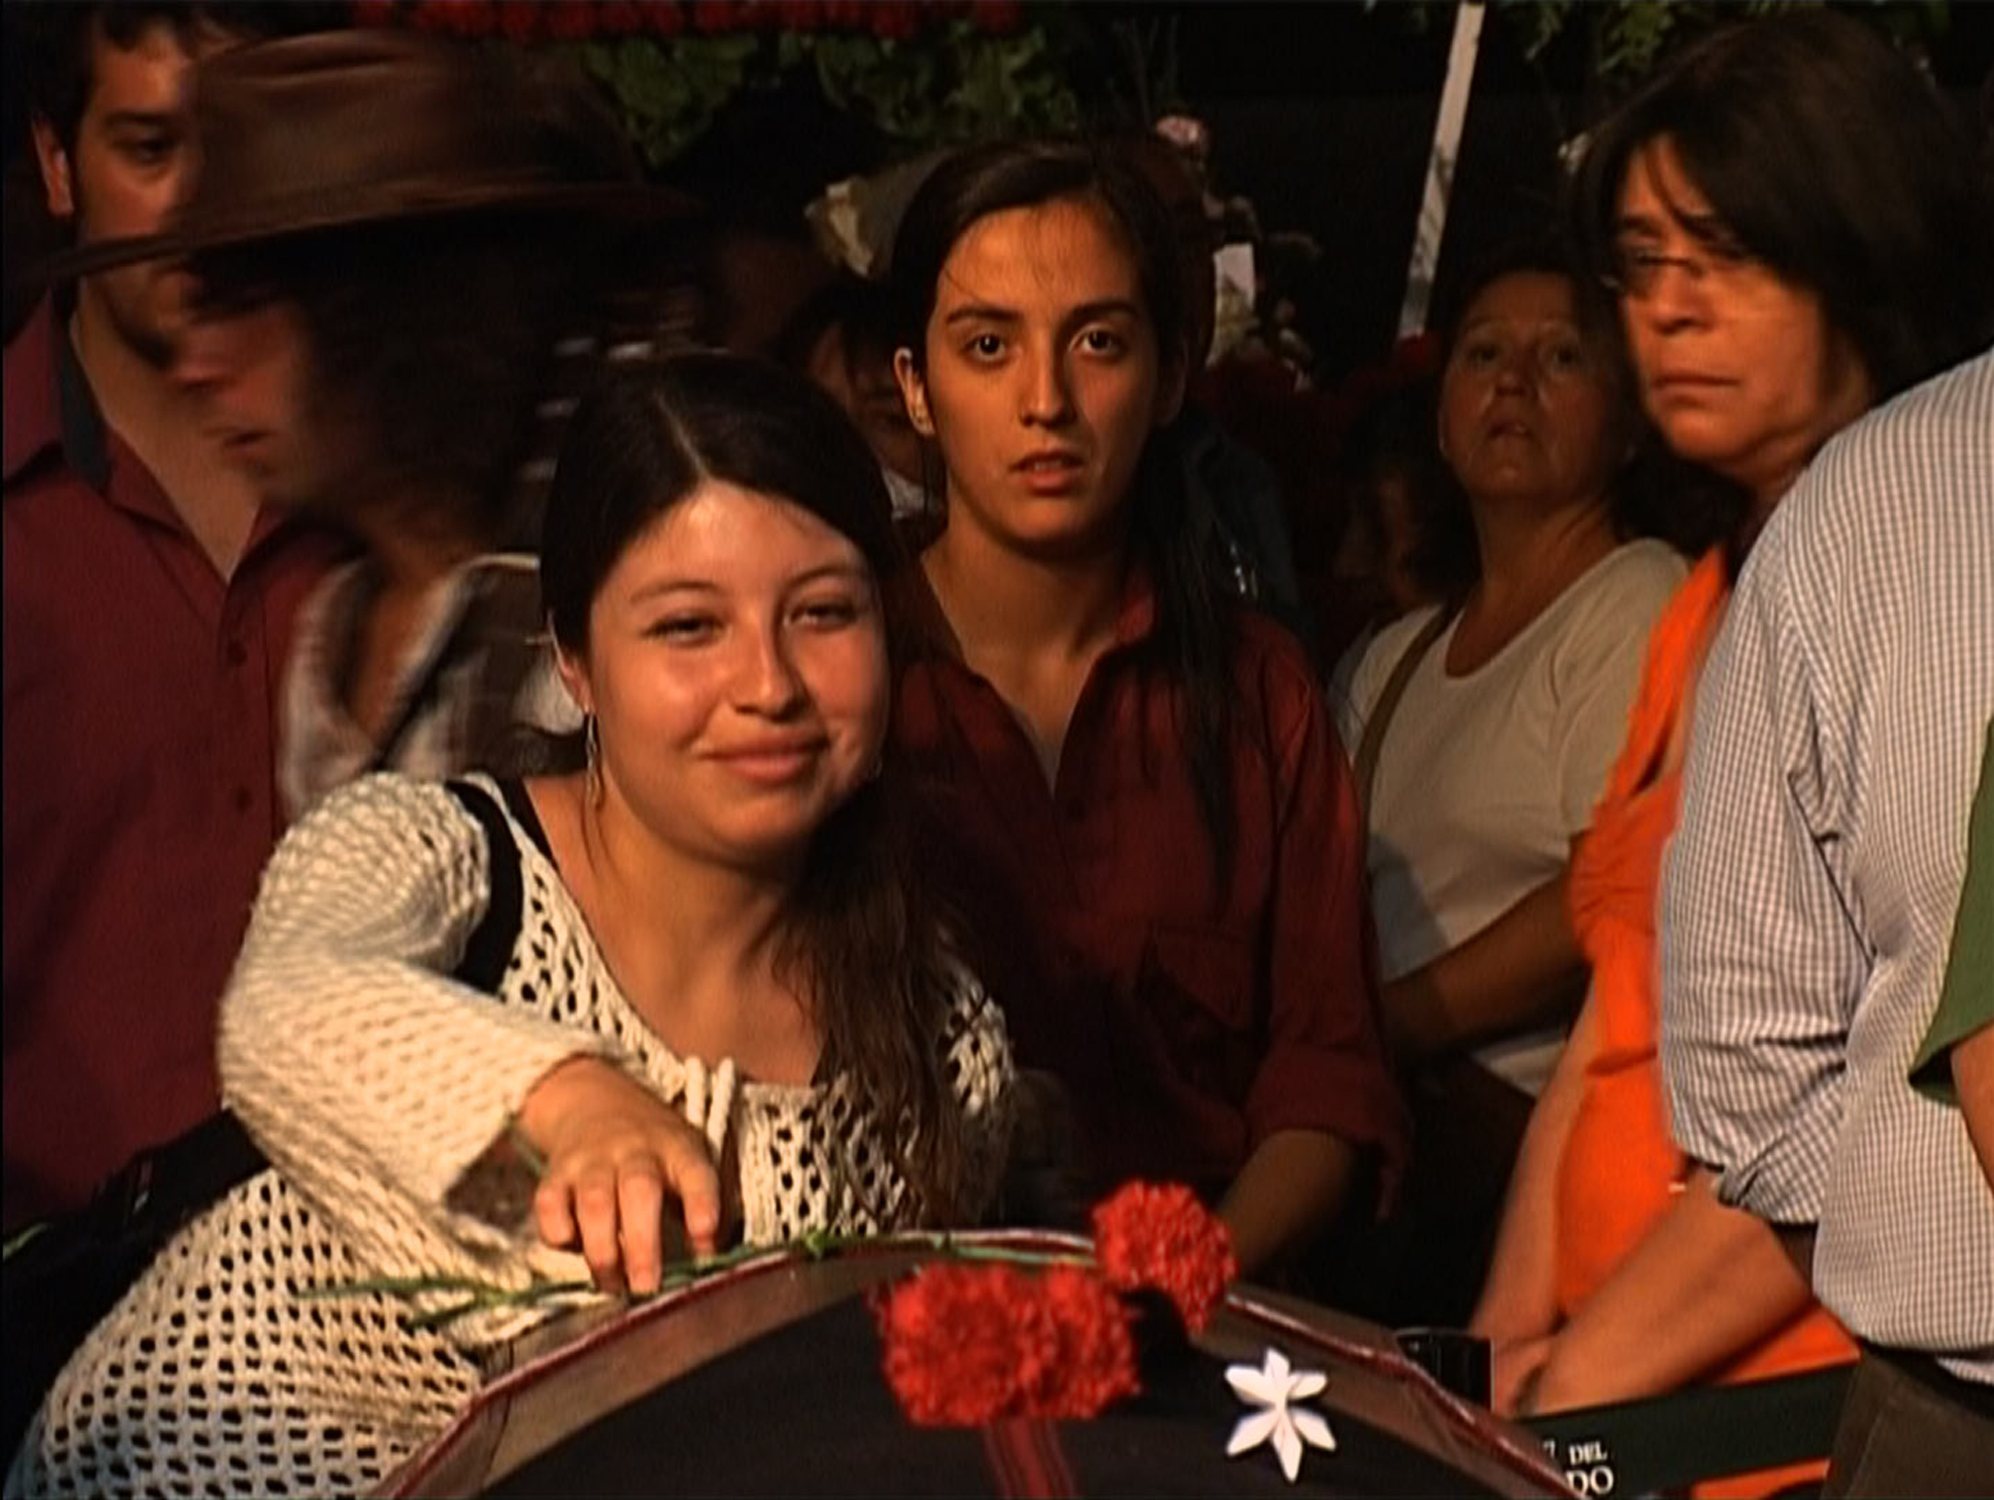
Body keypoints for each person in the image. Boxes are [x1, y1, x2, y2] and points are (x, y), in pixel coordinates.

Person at [8, 353, 1016, 1500]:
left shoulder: (939, 1050)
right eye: (688, 626)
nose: (768, 685)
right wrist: (562, 1101)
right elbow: (293, 1009)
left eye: (823, 613)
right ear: (575, 663)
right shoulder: (440, 858)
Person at [1474, 21, 1994, 1492]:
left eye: (1724, 253)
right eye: (1641, 261)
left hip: (1780, 1411)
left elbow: (1837, 1123)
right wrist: (1499, 1345)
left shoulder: (1938, 565)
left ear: (1860, 251)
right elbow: (1613, 1021)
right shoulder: (1707, 601)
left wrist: (1577, 1380)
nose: (1670, 309)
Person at [885, 139, 1403, 1280]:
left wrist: (1176, 1287)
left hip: (1200, 1309)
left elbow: (1325, 1079)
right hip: (900, 1309)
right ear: (914, 386)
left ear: (1170, 378)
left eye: (1098, 343)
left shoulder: (1255, 694)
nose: (1045, 402)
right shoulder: (838, 674)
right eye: (987, 346)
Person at [134, 30, 702, 818]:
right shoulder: (331, 631)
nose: (195, 366)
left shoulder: (608, 620)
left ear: (384, 318)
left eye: (243, 304)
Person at [2, 3, 342, 1234]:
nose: (200, 205)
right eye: (149, 149)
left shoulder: (385, 483)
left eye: (236, 149)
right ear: (58, 164)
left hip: (398, 1283)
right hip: (55, 1290)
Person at [1662, 350, 1993, 1497]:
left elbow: (1741, 1044)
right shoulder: (1878, 497)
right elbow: (1742, 1042)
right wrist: (1900, 1235)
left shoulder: (1870, 494)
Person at [1334, 242, 1685, 1323]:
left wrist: (1393, 1023)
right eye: (1483, 354)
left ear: (1629, 423)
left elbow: (1611, 891)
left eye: (1561, 357)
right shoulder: (1392, 659)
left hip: (1523, 1151)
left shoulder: (1638, 598)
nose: (1514, 384)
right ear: (1442, 421)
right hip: (1383, 1142)